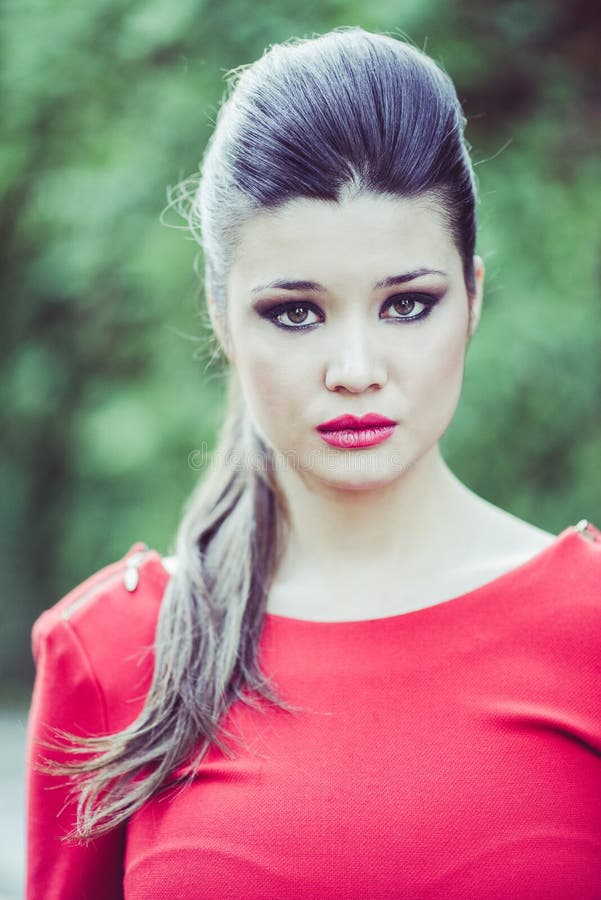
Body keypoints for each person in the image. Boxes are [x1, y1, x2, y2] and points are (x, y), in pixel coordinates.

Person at [25, 27, 601, 900]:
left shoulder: (587, 625)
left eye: (408, 303)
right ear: (220, 317)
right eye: (296, 313)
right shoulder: (110, 654)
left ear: (473, 297)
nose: (356, 368)